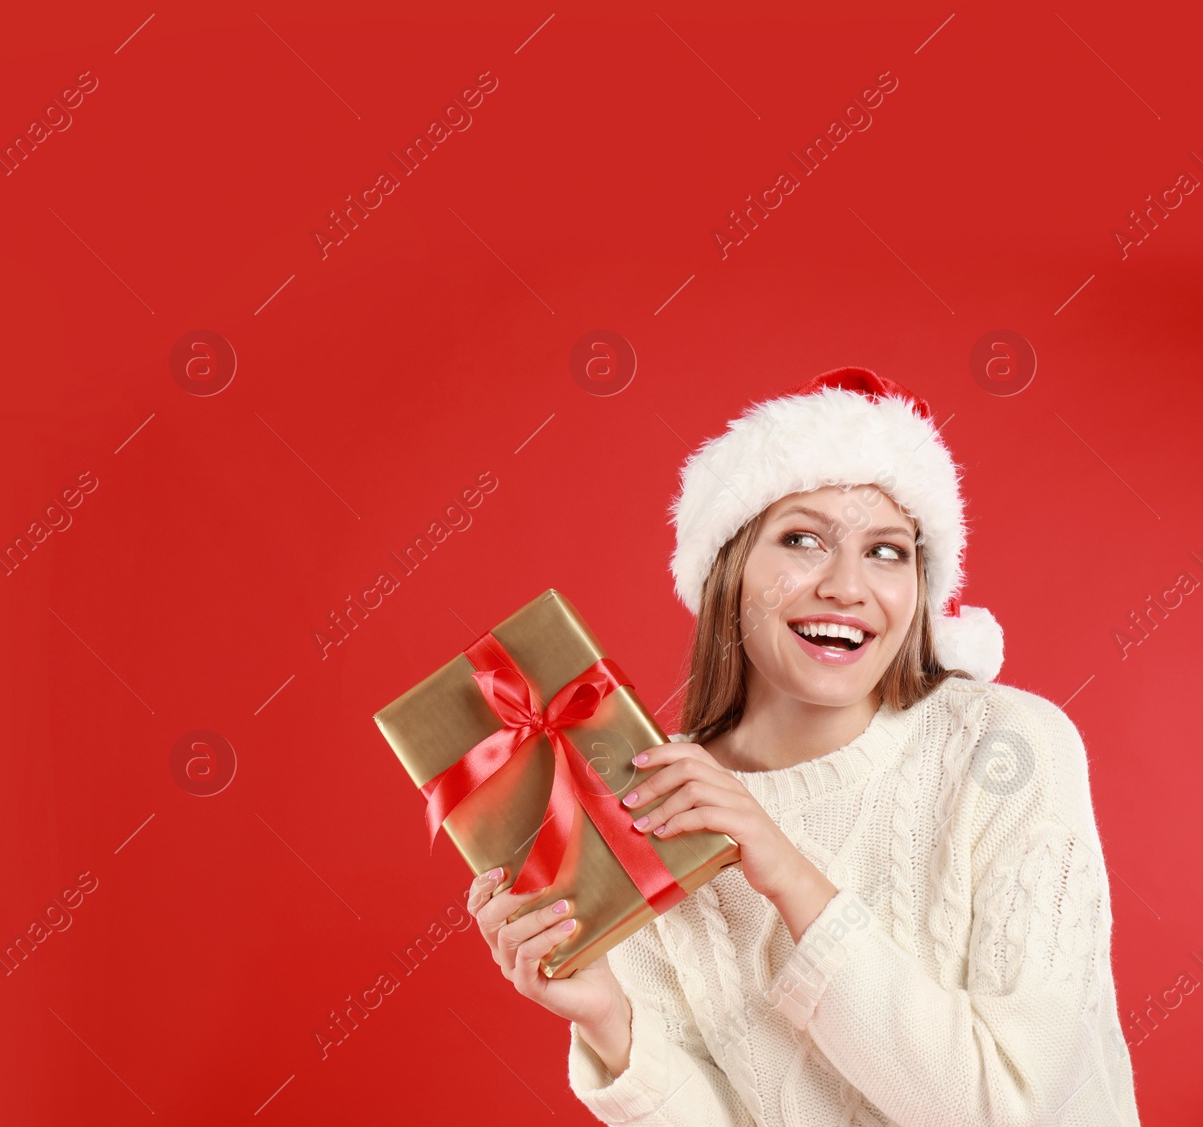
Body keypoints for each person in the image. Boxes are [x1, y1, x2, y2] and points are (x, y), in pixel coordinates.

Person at [465, 367, 1141, 1125]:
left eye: (887, 551)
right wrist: (608, 1021)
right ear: (729, 571)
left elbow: (1012, 1109)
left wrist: (783, 868)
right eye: (802, 540)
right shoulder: (654, 800)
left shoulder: (1007, 747)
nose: (847, 586)